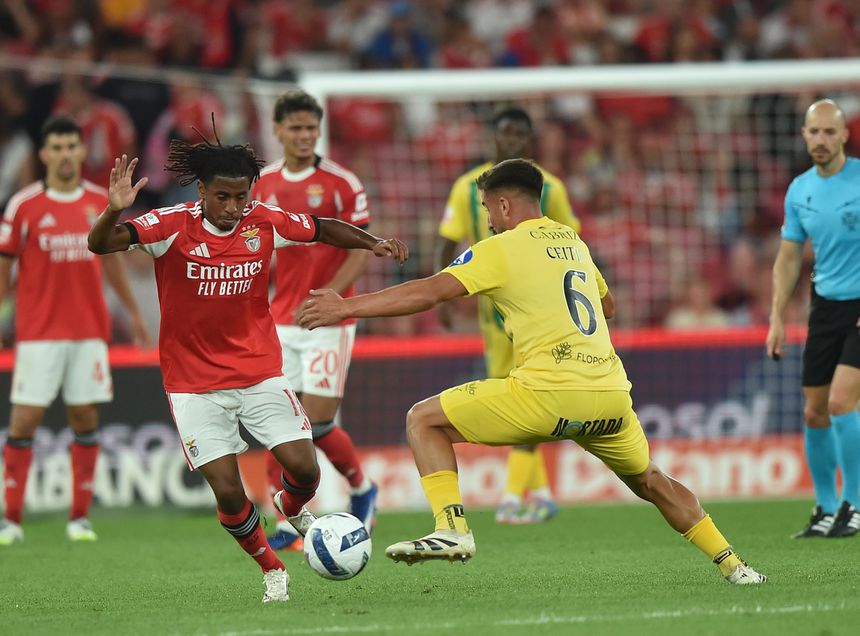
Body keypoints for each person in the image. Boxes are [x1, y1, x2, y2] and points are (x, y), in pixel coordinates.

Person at [298, 159, 767, 585]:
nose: (487, 219)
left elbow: (430, 292)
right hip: (610, 394)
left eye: (487, 208)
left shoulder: (499, 248)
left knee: (423, 419)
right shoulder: (572, 240)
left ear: (504, 205)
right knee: (652, 481)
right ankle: (734, 566)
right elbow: (607, 305)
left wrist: (346, 307)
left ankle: (452, 529)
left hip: (548, 394)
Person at [86, 137, 407, 602]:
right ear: (201, 190)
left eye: (241, 196)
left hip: (258, 372)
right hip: (193, 384)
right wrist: (113, 210)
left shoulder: (264, 221)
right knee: (230, 493)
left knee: (306, 470)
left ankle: (289, 506)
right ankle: (272, 569)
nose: (233, 207)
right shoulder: (171, 225)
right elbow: (100, 244)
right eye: (223, 196)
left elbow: (322, 228)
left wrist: (371, 242)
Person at [0, 116, 150, 546]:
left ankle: (79, 519)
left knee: (84, 418)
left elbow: (112, 261)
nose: (65, 154)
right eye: (57, 147)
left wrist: (133, 312)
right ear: (44, 154)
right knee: (24, 421)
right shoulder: (24, 205)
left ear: (82, 151)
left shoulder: (100, 201)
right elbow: (4, 267)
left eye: (71, 146)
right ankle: (11, 521)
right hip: (39, 333)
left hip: (88, 331)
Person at [437, 106, 580, 524]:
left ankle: (512, 496)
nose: (513, 140)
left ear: (529, 140)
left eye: (520, 133)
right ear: (494, 137)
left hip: (538, 312)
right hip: (494, 316)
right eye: (506, 133)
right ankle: (541, 492)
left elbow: (572, 242)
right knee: (514, 396)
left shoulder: (550, 188)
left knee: (529, 398)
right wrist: (443, 296)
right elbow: (447, 239)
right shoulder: (467, 187)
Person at [252, 89, 378, 552]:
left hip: (331, 319)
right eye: (296, 128)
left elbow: (361, 248)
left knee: (318, 422)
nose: (305, 135)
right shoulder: (261, 183)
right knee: (279, 422)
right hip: (281, 319)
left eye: (311, 128)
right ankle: (289, 520)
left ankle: (362, 487)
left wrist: (334, 297)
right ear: (278, 130)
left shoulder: (342, 183)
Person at [767, 98, 860, 539]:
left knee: (841, 402)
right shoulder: (799, 190)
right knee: (815, 411)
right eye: (814, 131)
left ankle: (854, 504)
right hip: (825, 307)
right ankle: (825, 508)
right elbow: (788, 259)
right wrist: (776, 317)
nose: (821, 139)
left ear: (844, 135)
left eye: (829, 131)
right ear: (804, 135)